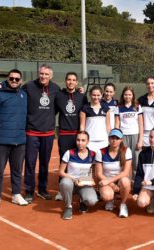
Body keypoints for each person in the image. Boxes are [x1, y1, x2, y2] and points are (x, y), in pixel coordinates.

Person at [23, 64, 60, 203]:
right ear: (38, 74)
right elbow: (15, 91)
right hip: (31, 132)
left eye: (46, 74)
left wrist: (80, 90)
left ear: (51, 76)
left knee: (45, 163)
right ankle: (29, 191)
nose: (43, 76)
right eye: (41, 73)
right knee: (30, 163)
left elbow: (59, 105)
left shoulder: (56, 88)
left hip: (48, 133)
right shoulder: (28, 86)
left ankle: (43, 189)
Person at [54, 72, 88, 201]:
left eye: (73, 80)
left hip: (78, 134)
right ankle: (61, 190)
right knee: (64, 162)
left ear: (77, 82)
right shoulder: (59, 95)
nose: (71, 82)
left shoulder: (82, 96)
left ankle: (81, 188)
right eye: (69, 79)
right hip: (64, 134)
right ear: (65, 81)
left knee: (81, 161)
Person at [0, 69, 28, 206]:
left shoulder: (24, 94)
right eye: (12, 78)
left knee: (17, 171)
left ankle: (16, 194)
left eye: (17, 79)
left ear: (21, 80)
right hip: (2, 140)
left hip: (20, 140)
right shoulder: (0, 93)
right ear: (8, 79)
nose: (14, 81)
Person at [59, 131, 98, 220]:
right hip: (71, 181)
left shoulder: (93, 155)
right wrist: (74, 179)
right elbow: (61, 172)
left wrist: (90, 181)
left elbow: (93, 173)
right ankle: (68, 206)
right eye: (78, 140)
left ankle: (82, 201)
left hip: (84, 182)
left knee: (92, 201)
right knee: (65, 183)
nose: (80, 143)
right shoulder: (69, 153)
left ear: (88, 141)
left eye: (83, 140)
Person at [95, 129, 132, 218]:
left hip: (119, 180)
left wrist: (111, 182)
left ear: (121, 140)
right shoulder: (101, 152)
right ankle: (110, 200)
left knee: (125, 182)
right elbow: (99, 174)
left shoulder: (127, 151)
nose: (114, 140)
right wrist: (111, 184)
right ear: (108, 139)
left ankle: (123, 205)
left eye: (117, 138)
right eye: (112, 138)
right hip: (106, 180)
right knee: (107, 196)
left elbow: (126, 172)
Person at [115, 86, 143, 179]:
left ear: (133, 96)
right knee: (123, 160)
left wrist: (140, 140)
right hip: (123, 136)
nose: (127, 96)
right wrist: (116, 138)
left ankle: (136, 182)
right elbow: (117, 124)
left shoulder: (137, 107)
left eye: (129, 94)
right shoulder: (118, 107)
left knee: (136, 161)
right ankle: (124, 181)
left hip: (135, 135)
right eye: (125, 94)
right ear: (123, 95)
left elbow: (141, 124)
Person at [80, 85, 111, 152]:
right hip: (89, 141)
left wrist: (109, 138)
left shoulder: (106, 108)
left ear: (102, 95)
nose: (96, 97)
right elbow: (82, 125)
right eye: (94, 95)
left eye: (98, 95)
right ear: (90, 95)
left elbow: (108, 125)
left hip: (104, 141)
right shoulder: (85, 108)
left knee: (102, 162)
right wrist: (82, 139)